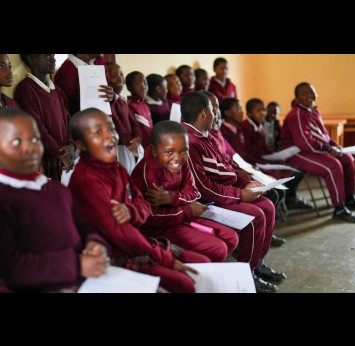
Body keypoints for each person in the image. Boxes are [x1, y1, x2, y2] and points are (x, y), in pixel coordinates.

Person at [68, 108, 210, 293]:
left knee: (203, 263)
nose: (110, 136)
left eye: (111, 129)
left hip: (137, 240)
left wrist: (131, 211)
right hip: (112, 252)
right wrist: (164, 258)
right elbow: (120, 232)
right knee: (184, 283)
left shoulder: (116, 168)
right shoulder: (87, 180)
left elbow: (143, 205)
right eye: (98, 133)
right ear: (81, 145)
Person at [181, 92, 287, 293]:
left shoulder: (207, 136)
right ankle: (247, 274)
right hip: (208, 202)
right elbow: (203, 188)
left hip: (225, 193)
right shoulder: (191, 142)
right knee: (255, 216)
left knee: (267, 205)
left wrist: (246, 182)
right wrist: (240, 194)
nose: (216, 114)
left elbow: (226, 166)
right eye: (214, 110)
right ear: (205, 113)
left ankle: (258, 264)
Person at [0, 108, 109, 292]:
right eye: (17, 142)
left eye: (35, 139)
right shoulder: (5, 198)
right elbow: (11, 267)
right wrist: (76, 265)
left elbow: (83, 225)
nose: (30, 148)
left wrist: (95, 243)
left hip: (85, 280)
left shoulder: (56, 190)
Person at [131, 120, 239, 262]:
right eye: (169, 152)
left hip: (181, 215)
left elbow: (194, 192)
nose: (177, 158)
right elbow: (152, 216)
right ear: (154, 151)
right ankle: (202, 275)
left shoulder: (183, 161)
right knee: (218, 248)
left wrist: (172, 197)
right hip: (158, 228)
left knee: (231, 238)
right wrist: (187, 210)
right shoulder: (145, 174)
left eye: (184, 151)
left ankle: (205, 271)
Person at [281, 82, 355, 223]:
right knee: (333, 165)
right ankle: (339, 208)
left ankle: (349, 198)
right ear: (297, 99)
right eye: (303, 94)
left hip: (311, 150)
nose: (309, 96)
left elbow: (324, 135)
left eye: (311, 92)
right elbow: (304, 142)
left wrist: (335, 146)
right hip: (297, 153)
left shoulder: (313, 111)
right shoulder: (297, 114)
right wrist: (329, 149)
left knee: (346, 158)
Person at [242, 98, 312, 210]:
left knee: (296, 170)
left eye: (264, 110)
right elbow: (247, 153)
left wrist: (274, 156)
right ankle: (284, 202)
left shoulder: (260, 126)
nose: (263, 113)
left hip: (264, 160)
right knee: (286, 175)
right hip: (254, 164)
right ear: (249, 113)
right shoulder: (245, 127)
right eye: (258, 110)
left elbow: (263, 149)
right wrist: (267, 161)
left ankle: (290, 199)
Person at [15, 54, 74, 181]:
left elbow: (69, 121)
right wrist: (62, 153)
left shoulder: (57, 91)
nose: (52, 58)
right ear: (32, 60)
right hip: (48, 161)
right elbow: (37, 128)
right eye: (47, 55)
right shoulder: (26, 89)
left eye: (52, 55)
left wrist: (71, 146)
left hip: (64, 160)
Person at [106, 62, 142, 174]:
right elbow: (116, 122)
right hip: (121, 146)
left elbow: (133, 121)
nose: (120, 78)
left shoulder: (122, 99)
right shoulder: (109, 102)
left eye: (121, 74)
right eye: (114, 75)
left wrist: (137, 137)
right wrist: (129, 142)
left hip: (129, 145)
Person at [126, 71, 153, 149]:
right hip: (139, 148)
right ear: (129, 87)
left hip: (150, 145)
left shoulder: (145, 104)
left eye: (145, 82)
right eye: (138, 83)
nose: (143, 86)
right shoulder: (129, 106)